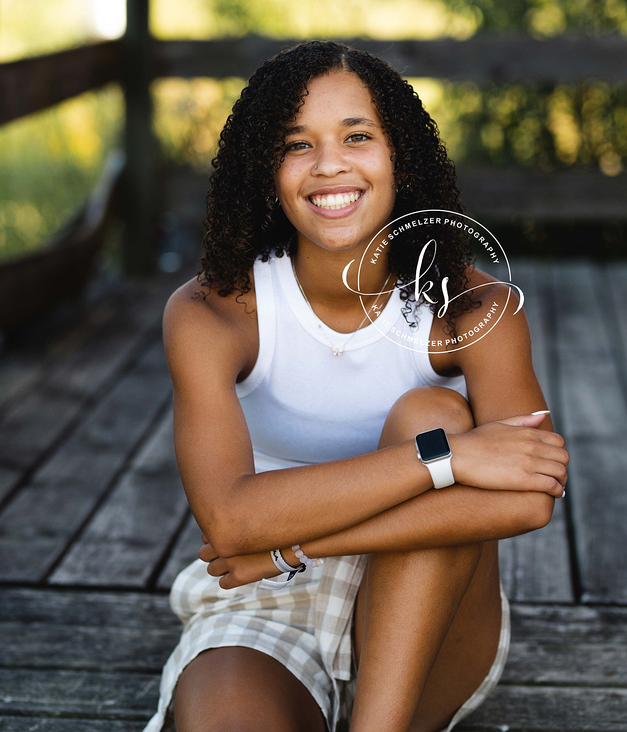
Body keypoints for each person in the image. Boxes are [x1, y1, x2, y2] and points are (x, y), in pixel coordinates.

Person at [143, 40, 569, 732]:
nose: (329, 164)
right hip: (259, 597)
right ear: (264, 169)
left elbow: (530, 500)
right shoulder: (213, 314)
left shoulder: (477, 313)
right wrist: (446, 463)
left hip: (422, 600)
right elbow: (229, 520)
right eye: (296, 144)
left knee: (430, 410)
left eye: (357, 136)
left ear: (402, 154)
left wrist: (292, 546)